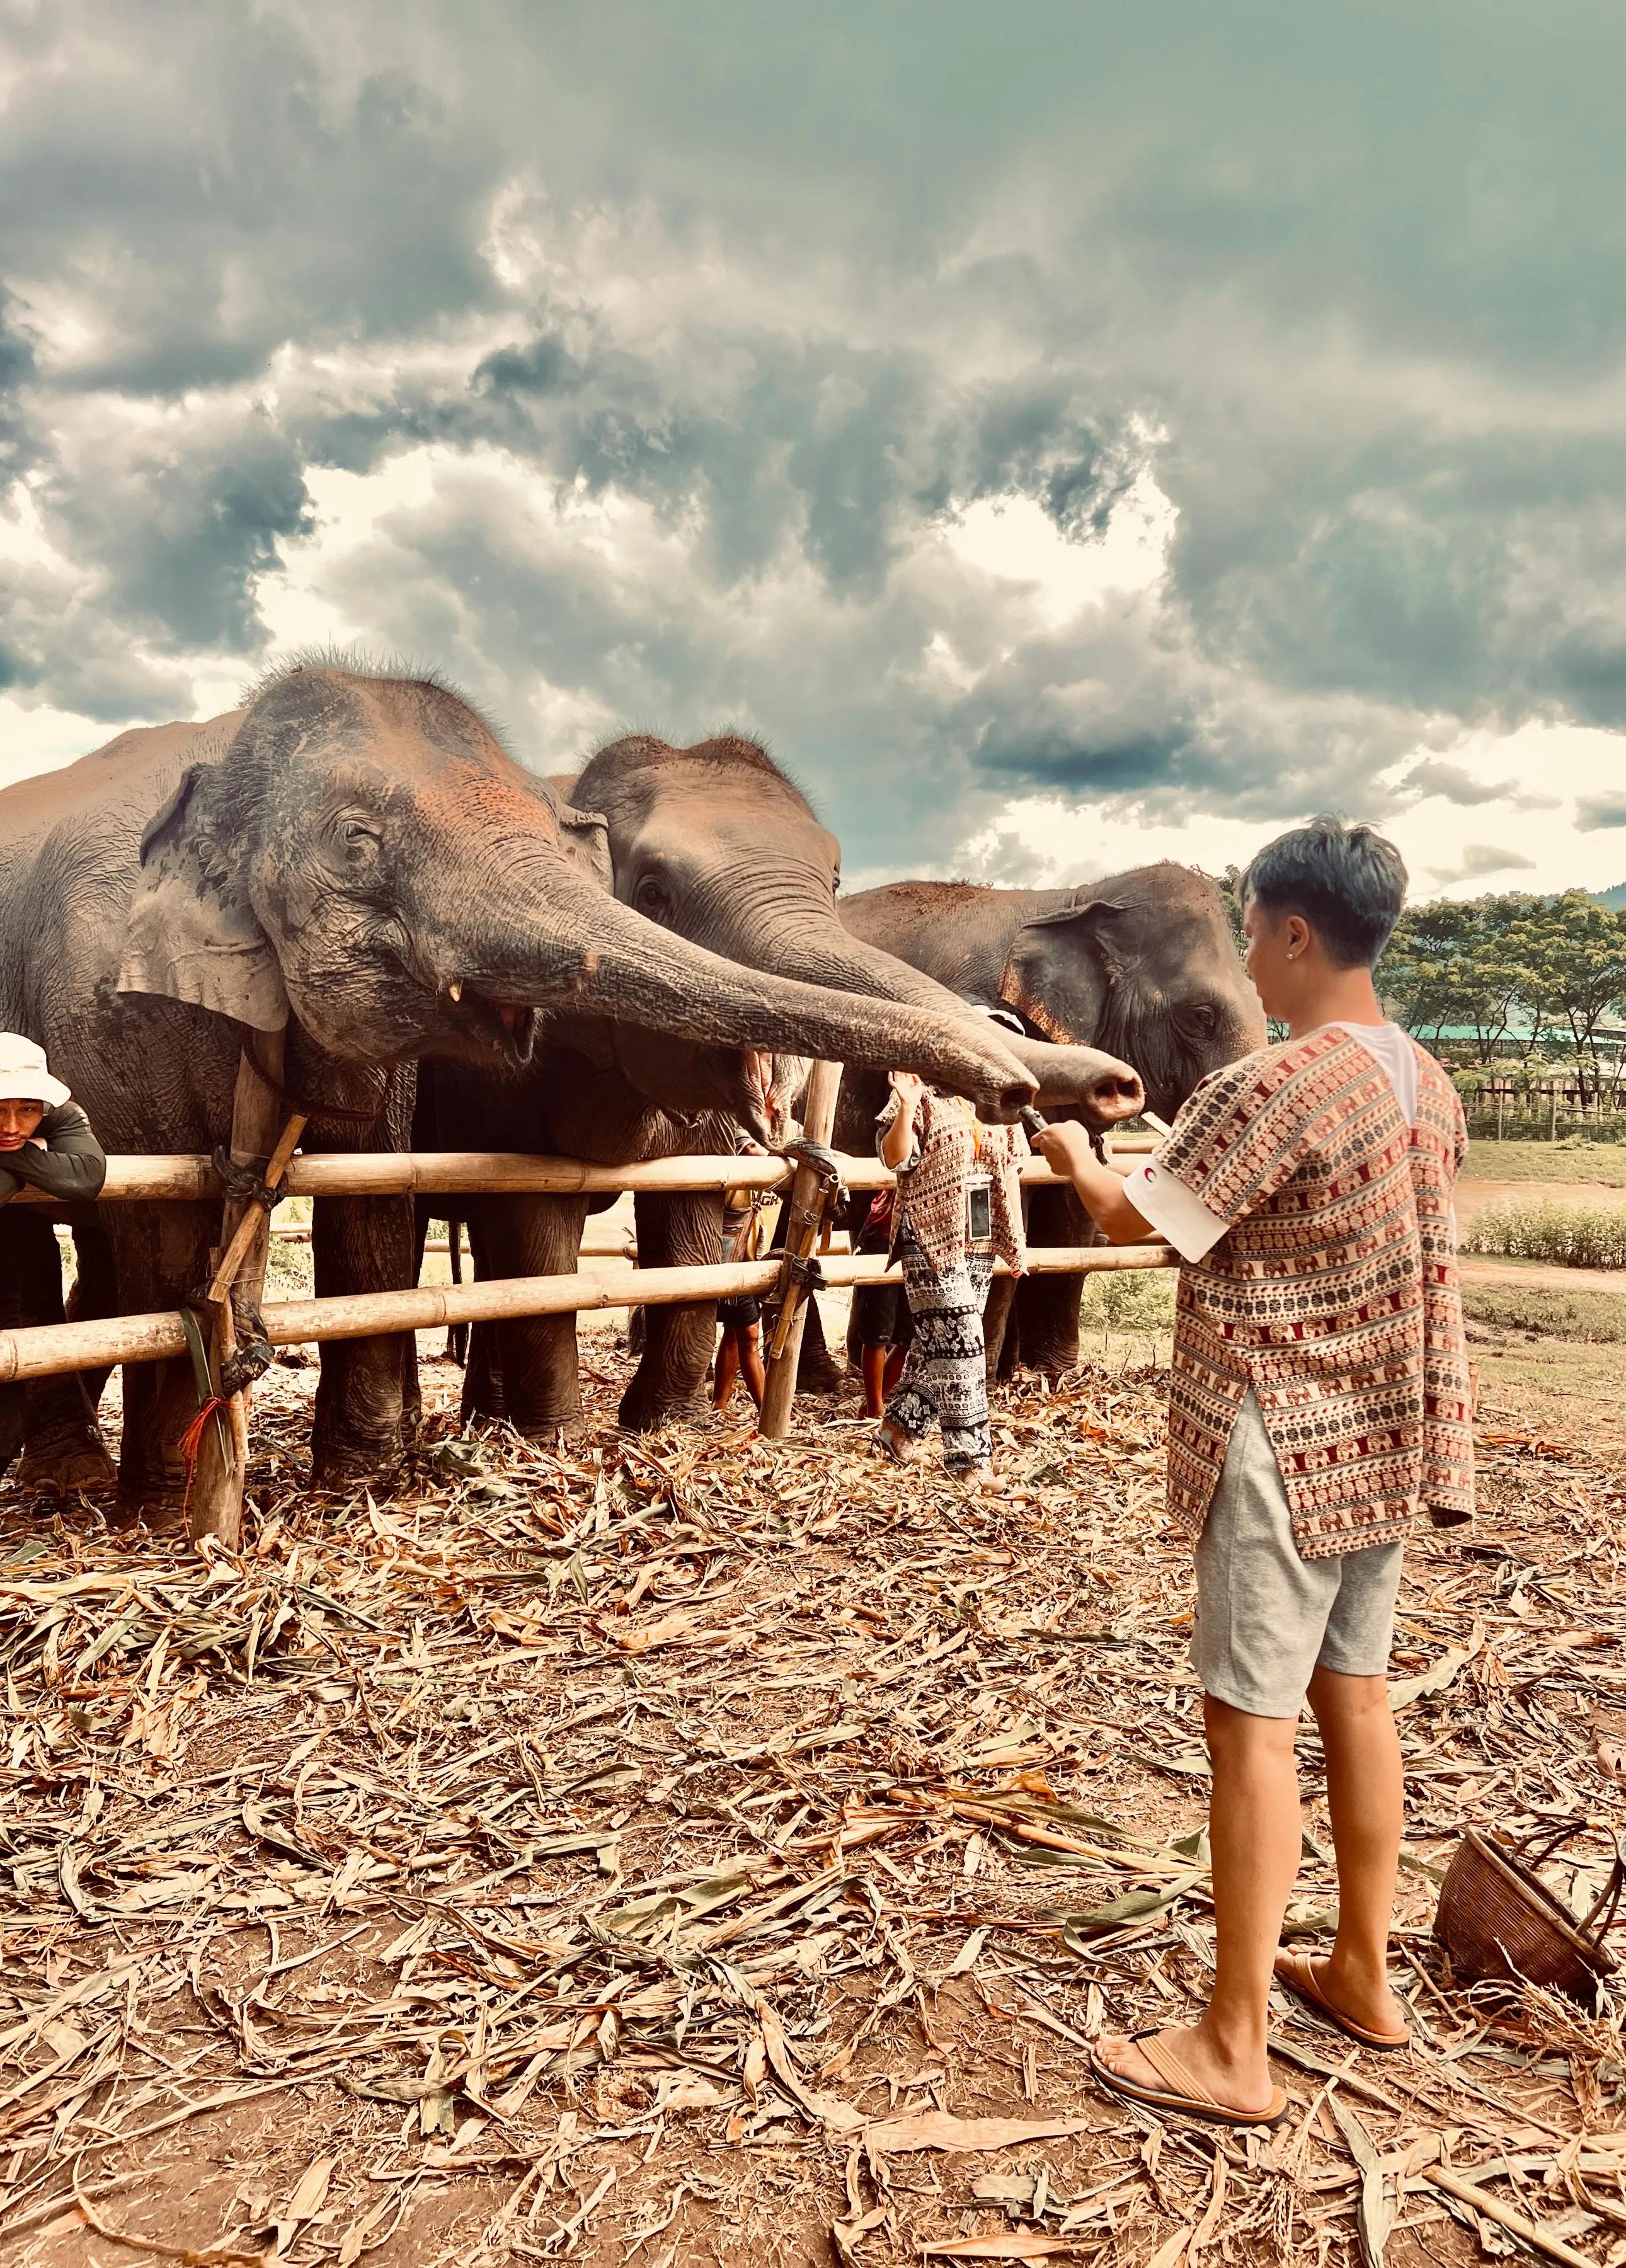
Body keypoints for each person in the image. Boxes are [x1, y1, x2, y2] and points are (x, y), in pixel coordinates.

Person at [1034, 820, 1472, 2128]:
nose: (1244, 961)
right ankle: (1359, 1970)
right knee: (1358, 1699)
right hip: (1388, 1442)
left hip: (1281, 1437)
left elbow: (1138, 1223)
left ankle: (1231, 2044)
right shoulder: (1426, 1084)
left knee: (1251, 1729)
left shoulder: (1273, 1087)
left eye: (1248, 930)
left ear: (1291, 932)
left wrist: (1070, 1150)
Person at [874, 1052, 1029, 1479]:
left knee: (938, 1345)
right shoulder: (921, 1094)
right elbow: (895, 1160)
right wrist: (907, 1105)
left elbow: (1010, 1171)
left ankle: (897, 1429)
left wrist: (1015, 1240)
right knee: (963, 1345)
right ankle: (970, 1461)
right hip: (928, 1231)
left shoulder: (1003, 1106)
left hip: (979, 1233)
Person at [0, 1035, 110, 1487]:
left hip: (15, 1268)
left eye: (27, 1110)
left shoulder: (60, 1113)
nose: (12, 1124)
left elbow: (86, 1176)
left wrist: (13, 1160)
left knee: (14, 1383)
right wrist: (33, 1161)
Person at [713, 1142, 772, 1412]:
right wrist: (788, 1152)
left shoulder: (791, 1130)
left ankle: (720, 1404)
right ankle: (768, 1412)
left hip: (752, 1260)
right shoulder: (740, 1129)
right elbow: (750, 1149)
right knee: (749, 1335)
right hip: (726, 1256)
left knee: (736, 1334)